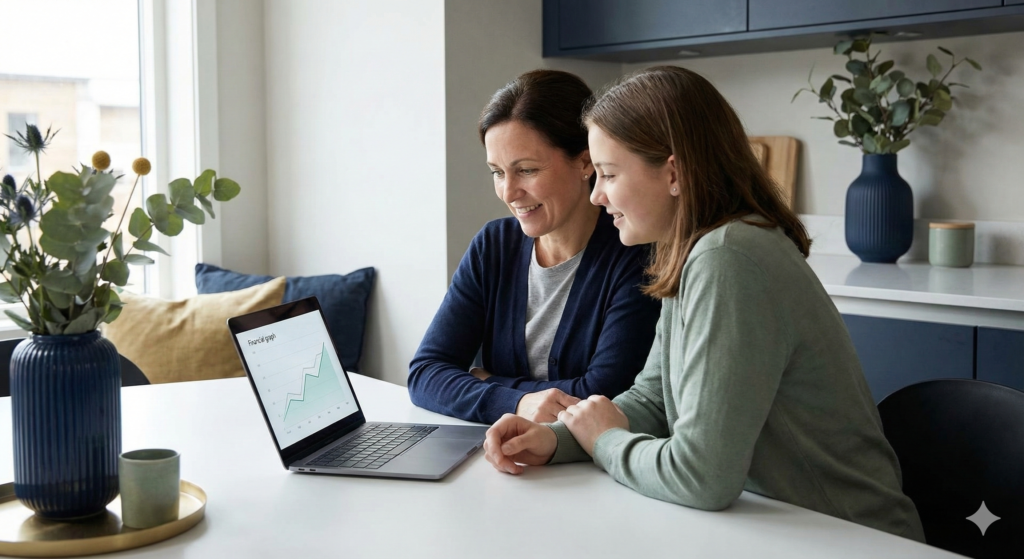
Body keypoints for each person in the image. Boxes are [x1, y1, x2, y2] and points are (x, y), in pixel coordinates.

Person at [482, 66, 925, 542]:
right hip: (777, 528)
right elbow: (653, 397)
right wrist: (556, 438)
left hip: (850, 538)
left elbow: (701, 477)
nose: (597, 194)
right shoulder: (695, 249)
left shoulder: (728, 257)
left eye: (608, 173)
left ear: (673, 172)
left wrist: (605, 441)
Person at [407, 70, 662, 425]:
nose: (509, 193)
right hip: (506, 461)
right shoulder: (494, 246)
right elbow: (426, 373)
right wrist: (518, 401)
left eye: (526, 170)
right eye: (497, 172)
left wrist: (487, 381)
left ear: (585, 161)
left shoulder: (634, 252)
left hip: (589, 472)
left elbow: (605, 394)